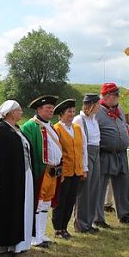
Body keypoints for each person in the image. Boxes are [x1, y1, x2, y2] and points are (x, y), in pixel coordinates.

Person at [0, 100, 34, 257]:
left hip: (21, 176)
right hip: (5, 179)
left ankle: (16, 243)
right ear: (11, 113)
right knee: (3, 210)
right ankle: (0, 246)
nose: (21, 113)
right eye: (18, 110)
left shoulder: (15, 129)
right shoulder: (0, 130)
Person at [21, 95, 62, 245]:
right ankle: (34, 236)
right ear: (39, 109)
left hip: (53, 170)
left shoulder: (51, 126)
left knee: (46, 202)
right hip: (41, 170)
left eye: (52, 108)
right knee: (38, 203)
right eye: (48, 108)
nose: (51, 111)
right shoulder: (30, 126)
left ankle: (42, 233)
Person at [94, 82, 129, 224]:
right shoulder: (98, 111)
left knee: (122, 185)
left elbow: (124, 125)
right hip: (105, 153)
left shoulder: (119, 111)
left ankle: (124, 215)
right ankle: (98, 217)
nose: (118, 97)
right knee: (101, 187)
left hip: (121, 154)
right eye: (115, 94)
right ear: (106, 96)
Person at [51, 99, 86, 238]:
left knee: (71, 200)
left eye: (73, 111)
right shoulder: (57, 129)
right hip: (64, 171)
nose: (71, 114)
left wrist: (84, 167)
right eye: (68, 112)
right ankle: (57, 228)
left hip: (76, 170)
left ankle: (65, 227)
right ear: (61, 114)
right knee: (61, 200)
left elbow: (83, 149)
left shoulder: (77, 128)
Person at [72, 94, 101, 233]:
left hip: (96, 152)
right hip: (86, 153)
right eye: (97, 104)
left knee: (94, 189)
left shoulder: (94, 120)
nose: (99, 107)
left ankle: (89, 221)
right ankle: (81, 223)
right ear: (91, 105)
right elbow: (80, 143)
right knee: (84, 190)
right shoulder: (79, 119)